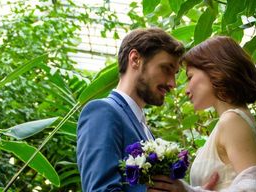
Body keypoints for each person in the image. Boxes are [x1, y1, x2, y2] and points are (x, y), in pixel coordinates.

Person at [147, 36, 256, 192]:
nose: (186, 90)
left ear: (214, 70)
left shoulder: (232, 121)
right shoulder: (234, 119)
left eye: (190, 77)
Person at [77, 27, 187, 192]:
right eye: (166, 68)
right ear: (135, 59)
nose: (173, 83)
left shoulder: (144, 129)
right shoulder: (103, 112)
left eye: (175, 73)